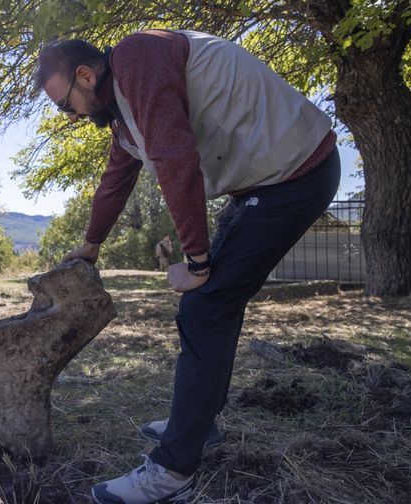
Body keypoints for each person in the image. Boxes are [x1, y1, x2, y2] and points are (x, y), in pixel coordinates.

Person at [34, 29, 339, 504]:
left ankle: (171, 471)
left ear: (86, 76)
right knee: (215, 303)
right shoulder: (125, 114)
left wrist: (196, 261)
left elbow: (176, 160)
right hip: (270, 181)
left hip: (296, 174)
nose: (70, 116)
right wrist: (91, 244)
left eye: (64, 104)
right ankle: (199, 424)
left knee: (205, 304)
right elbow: (115, 180)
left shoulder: (137, 59)